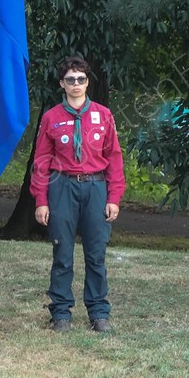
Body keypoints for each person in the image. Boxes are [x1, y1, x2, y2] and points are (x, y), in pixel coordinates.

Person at [31, 55, 127, 333]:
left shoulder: (103, 115)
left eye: (81, 79)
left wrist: (113, 197)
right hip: (62, 187)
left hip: (96, 187)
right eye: (70, 79)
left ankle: (99, 312)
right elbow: (41, 162)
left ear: (87, 82)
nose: (76, 84)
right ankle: (61, 313)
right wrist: (41, 200)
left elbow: (115, 158)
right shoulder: (51, 118)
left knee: (96, 254)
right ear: (62, 83)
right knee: (63, 252)